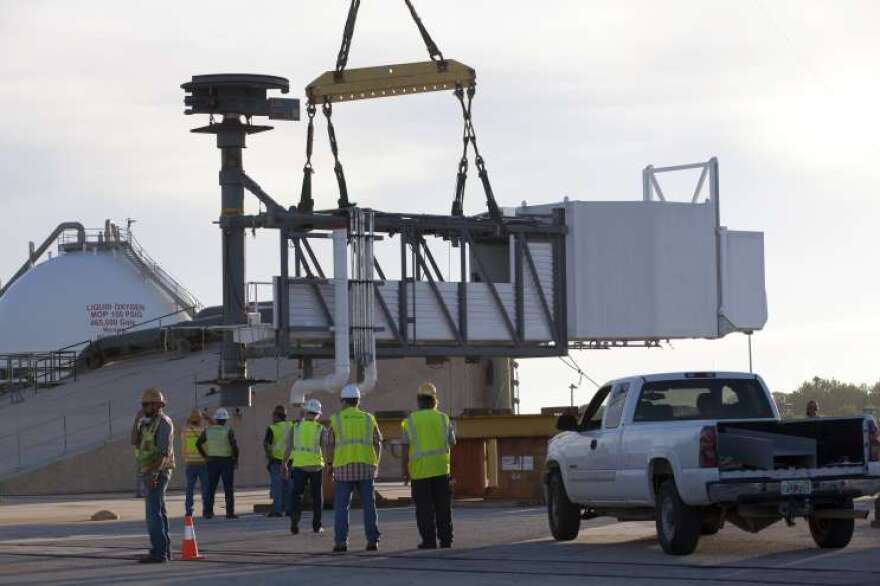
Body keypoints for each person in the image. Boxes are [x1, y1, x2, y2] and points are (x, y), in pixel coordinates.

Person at [401, 382, 456, 549]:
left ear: (419, 400)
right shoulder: (443, 418)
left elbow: (405, 447)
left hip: (420, 472)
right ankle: (446, 540)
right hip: (440, 469)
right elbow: (452, 442)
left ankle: (429, 541)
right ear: (434, 400)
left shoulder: (410, 421)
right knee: (443, 507)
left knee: (424, 509)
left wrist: (405, 470)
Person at [328, 384, 382, 553]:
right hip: (366, 468)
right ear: (358, 401)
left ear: (343, 401)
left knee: (341, 507)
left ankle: (340, 542)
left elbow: (329, 444)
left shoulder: (336, 419)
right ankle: (372, 541)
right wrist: (376, 464)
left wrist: (330, 465)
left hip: (343, 469)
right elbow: (378, 443)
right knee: (369, 506)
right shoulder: (369, 418)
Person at [130, 387, 175, 563]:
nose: (144, 407)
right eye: (143, 404)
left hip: (158, 471)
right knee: (159, 511)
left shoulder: (164, 423)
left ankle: (159, 553)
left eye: (146, 404)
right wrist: (137, 419)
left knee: (152, 513)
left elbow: (164, 453)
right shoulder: (146, 422)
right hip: (148, 470)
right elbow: (134, 440)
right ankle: (164, 550)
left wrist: (154, 474)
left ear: (157, 405)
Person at [283, 398, 329, 535]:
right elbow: (325, 448)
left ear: (306, 412)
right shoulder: (321, 429)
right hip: (316, 466)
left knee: (296, 495)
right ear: (318, 414)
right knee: (317, 497)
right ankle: (317, 526)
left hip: (299, 466)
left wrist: (284, 464)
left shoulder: (295, 427)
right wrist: (329, 465)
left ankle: (294, 522)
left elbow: (289, 447)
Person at [197, 407, 239, 519]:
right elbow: (234, 446)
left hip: (212, 462)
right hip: (226, 462)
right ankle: (230, 513)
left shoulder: (208, 430)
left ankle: (208, 512)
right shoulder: (228, 430)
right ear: (225, 420)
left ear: (216, 419)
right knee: (228, 488)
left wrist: (205, 456)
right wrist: (235, 459)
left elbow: (198, 444)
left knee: (211, 488)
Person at [264, 405, 290, 517]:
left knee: (277, 487)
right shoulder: (292, 426)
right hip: (290, 461)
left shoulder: (272, 428)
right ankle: (289, 509)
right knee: (289, 487)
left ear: (276, 416)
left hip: (276, 461)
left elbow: (266, 444)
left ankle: (277, 510)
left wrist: (269, 457)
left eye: (273, 415)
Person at [181, 409, 208, 518]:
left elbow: (183, 446)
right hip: (203, 463)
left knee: (189, 489)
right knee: (205, 488)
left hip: (190, 463)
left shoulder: (186, 431)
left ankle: (189, 511)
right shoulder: (204, 431)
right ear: (200, 420)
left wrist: (189, 419)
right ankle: (206, 510)